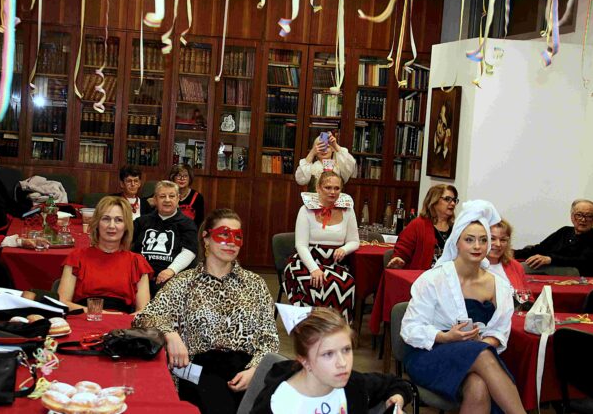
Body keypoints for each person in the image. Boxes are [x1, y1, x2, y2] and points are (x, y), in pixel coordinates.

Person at [134, 208, 279, 414]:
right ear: (206, 238)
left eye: (238, 236)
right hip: (199, 374)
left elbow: (269, 338)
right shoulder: (184, 282)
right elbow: (144, 317)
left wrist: (255, 370)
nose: (231, 242)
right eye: (224, 234)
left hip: (246, 372)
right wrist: (170, 334)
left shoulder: (255, 284)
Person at [401, 200, 526, 414]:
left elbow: (499, 332)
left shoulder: (500, 286)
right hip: (429, 354)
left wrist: (478, 343)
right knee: (481, 354)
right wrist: (446, 337)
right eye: (469, 240)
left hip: (477, 354)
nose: (477, 246)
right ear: (456, 242)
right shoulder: (432, 280)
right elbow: (410, 328)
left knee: (478, 385)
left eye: (483, 240)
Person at [251, 306, 412, 414]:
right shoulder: (279, 405)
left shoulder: (353, 385)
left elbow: (397, 383)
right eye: (328, 354)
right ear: (304, 361)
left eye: (346, 350)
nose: (342, 363)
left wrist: (397, 398)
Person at [283, 171, 359, 323]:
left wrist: (344, 249)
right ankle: (310, 327)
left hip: (334, 262)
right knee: (314, 282)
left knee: (346, 283)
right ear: (318, 188)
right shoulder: (305, 210)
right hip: (307, 260)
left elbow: (354, 241)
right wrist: (314, 269)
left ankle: (337, 328)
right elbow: (301, 245)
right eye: (328, 187)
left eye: (337, 188)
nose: (332, 192)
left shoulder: (348, 211)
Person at [57, 196, 153, 313]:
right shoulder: (77, 257)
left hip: (122, 321)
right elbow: (62, 302)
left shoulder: (137, 262)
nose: (111, 226)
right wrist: (99, 313)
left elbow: (143, 312)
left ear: (126, 226)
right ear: (97, 223)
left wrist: (120, 319)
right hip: (84, 318)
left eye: (119, 220)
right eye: (106, 219)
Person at [132, 181, 198, 296]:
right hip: (139, 275)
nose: (167, 200)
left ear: (178, 198)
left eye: (171, 196)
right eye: (162, 196)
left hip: (170, 278)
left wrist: (171, 270)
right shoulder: (141, 222)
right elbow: (125, 242)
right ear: (155, 199)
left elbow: (189, 251)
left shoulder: (187, 224)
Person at [514, 199, 593, 277]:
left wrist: (550, 259)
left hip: (577, 276)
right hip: (554, 268)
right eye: (579, 215)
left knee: (520, 268)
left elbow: (581, 261)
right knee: (513, 264)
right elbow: (540, 248)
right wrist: (512, 253)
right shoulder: (564, 231)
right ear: (572, 217)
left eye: (589, 216)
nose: (583, 220)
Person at [387, 184, 458, 270]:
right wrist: (398, 259)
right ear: (434, 201)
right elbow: (402, 251)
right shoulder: (417, 225)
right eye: (447, 199)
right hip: (423, 276)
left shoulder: (457, 228)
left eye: (454, 200)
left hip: (450, 275)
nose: (453, 203)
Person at [486, 219, 527, 291]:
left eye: (503, 240)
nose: (498, 244)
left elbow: (526, 295)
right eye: (492, 239)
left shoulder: (515, 266)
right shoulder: (470, 268)